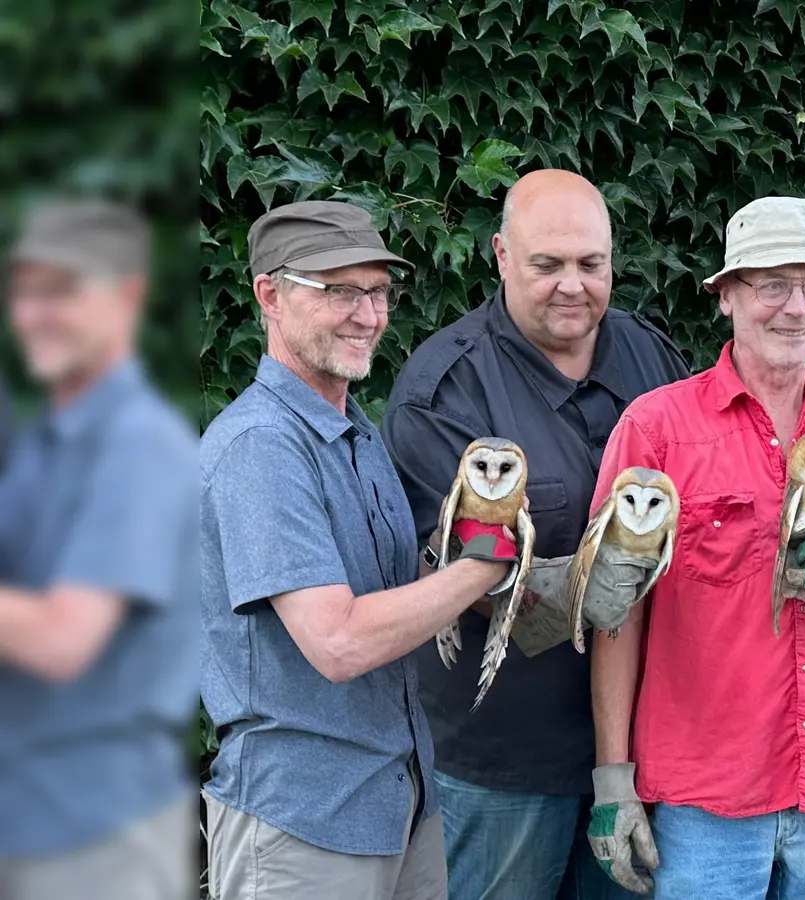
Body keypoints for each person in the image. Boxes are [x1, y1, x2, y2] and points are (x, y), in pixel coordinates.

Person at [583, 195, 805, 898]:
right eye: (772, 283)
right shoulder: (659, 430)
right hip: (707, 797)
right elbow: (616, 618)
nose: (797, 306)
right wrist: (612, 782)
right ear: (727, 296)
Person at [199, 200, 521, 900]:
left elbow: (393, 591)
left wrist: (467, 542)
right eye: (339, 291)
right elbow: (337, 643)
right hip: (304, 825)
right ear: (269, 296)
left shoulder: (355, 432)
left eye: (376, 291)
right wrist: (485, 565)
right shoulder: (261, 447)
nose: (368, 314)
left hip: (399, 809)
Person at [383, 169, 689, 900]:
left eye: (591, 264)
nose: (572, 285)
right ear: (500, 255)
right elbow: (463, 582)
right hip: (506, 759)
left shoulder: (652, 357)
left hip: (644, 748)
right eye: (547, 264)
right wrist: (582, 589)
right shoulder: (444, 390)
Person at [0, 199, 195, 900]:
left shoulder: (140, 445)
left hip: (97, 838)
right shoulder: (44, 442)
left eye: (62, 290)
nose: (35, 313)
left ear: (127, 296)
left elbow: (61, 640)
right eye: (26, 290)